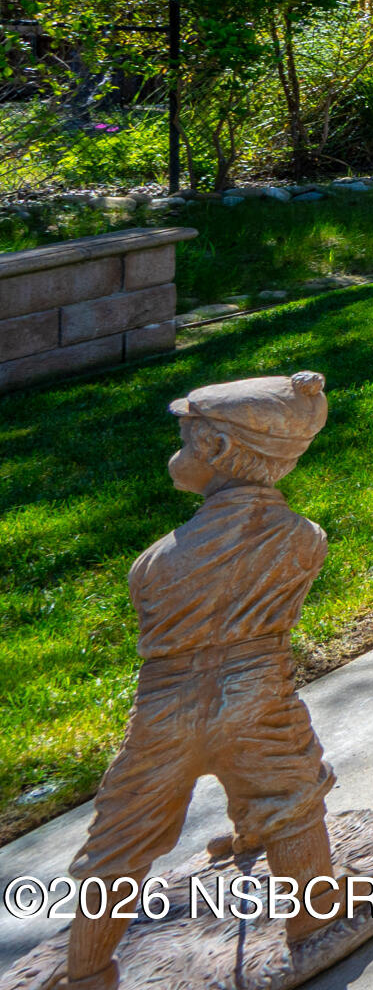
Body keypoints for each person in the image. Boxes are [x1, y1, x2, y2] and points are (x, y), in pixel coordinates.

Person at [61, 372, 343, 988]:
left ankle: (86, 968)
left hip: (163, 707)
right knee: (291, 797)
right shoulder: (305, 541)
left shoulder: (157, 561)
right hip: (259, 691)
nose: (179, 453)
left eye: (187, 440)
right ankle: (313, 919)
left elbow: (158, 619)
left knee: (121, 835)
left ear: (216, 451)